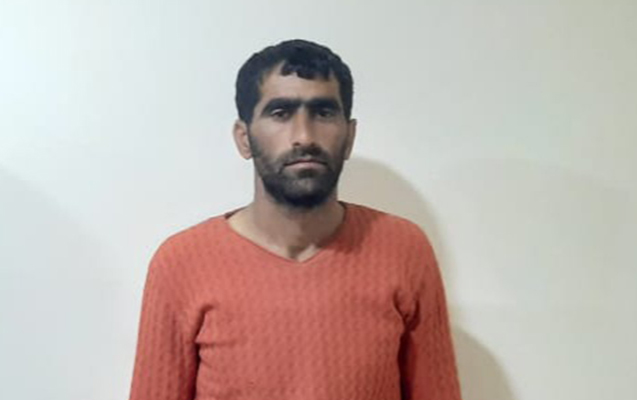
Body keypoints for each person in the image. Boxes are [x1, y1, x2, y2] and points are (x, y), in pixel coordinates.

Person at [128, 39, 462, 400]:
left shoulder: (404, 250)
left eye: (323, 112)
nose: (304, 136)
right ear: (244, 138)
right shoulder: (183, 263)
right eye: (280, 113)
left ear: (349, 136)